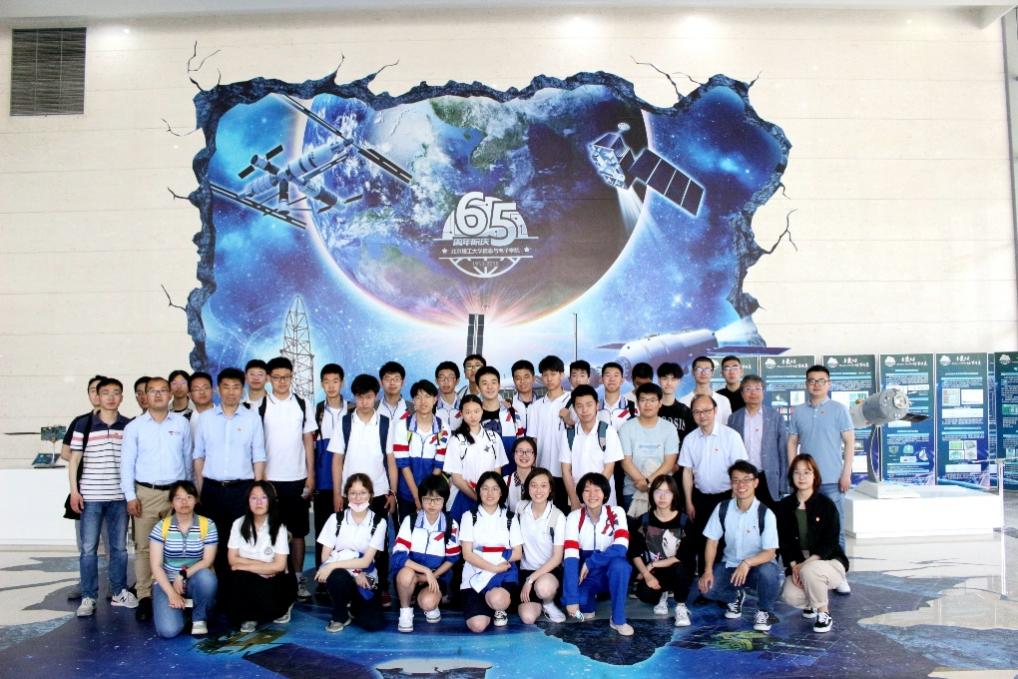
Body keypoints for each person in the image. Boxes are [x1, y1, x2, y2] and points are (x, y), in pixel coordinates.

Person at [121, 376, 192, 622]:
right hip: (145, 494)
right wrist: (130, 496)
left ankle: (176, 591)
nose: (158, 395)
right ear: (145, 396)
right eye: (153, 391)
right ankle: (144, 596)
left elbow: (187, 460)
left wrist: (188, 494)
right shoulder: (135, 427)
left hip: (176, 495)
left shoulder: (182, 424)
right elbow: (127, 465)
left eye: (163, 390)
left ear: (170, 395)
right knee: (143, 547)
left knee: (178, 546)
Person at [67, 377, 137, 616]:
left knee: (119, 548)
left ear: (122, 397)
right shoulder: (84, 424)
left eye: (116, 392)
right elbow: (74, 460)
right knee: (88, 549)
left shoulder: (128, 426)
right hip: (91, 497)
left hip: (119, 497)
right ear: (97, 395)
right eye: (105, 392)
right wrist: (75, 491)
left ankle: (118, 591)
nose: (110, 397)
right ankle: (88, 597)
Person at [192, 367, 266, 589]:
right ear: (218, 389)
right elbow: (198, 456)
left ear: (242, 390)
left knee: (242, 541)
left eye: (236, 387)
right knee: (215, 541)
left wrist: (257, 490)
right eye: (226, 387)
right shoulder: (206, 419)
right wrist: (200, 489)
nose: (231, 392)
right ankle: (220, 590)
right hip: (212, 489)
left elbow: (259, 456)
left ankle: (240, 590)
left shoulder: (252, 418)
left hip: (242, 489)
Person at [328, 374, 397, 606]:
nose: (364, 402)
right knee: (348, 541)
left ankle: (382, 587)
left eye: (368, 397)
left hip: (378, 492)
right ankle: (348, 586)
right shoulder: (345, 422)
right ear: (354, 397)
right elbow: (337, 460)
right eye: (360, 397)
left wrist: (392, 493)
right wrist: (338, 493)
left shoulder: (385, 423)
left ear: (375, 396)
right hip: (351, 494)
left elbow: (391, 460)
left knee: (380, 543)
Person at [697, 461, 781, 633]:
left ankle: (764, 611)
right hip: (731, 566)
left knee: (769, 574)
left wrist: (747, 563)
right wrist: (707, 570)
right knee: (707, 589)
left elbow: (770, 552)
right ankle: (734, 596)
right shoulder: (722, 508)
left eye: (746, 480)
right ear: (731, 484)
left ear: (756, 482)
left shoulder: (766, 513)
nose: (741, 485)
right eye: (736, 480)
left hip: (758, 567)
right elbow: (712, 541)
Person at [261, 356, 317, 602]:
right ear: (269, 378)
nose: (282, 382)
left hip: (297, 479)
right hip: (269, 480)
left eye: (286, 377)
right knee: (270, 532)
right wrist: (260, 479)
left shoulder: (303, 404)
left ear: (292, 377)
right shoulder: (260, 405)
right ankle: (275, 578)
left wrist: (310, 475)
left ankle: (298, 578)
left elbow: (308, 442)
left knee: (298, 532)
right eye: (276, 377)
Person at [788, 364, 855, 563]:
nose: (816, 384)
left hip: (832, 480)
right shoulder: (799, 411)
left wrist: (846, 473)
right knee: (806, 529)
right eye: (812, 380)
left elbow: (850, 442)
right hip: (805, 483)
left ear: (829, 384)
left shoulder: (839, 409)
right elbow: (792, 442)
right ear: (806, 384)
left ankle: (839, 569)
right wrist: (793, 472)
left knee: (836, 528)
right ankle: (811, 569)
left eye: (821, 381)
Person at [777, 454, 850, 633]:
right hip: (799, 562)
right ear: (791, 476)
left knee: (810, 570)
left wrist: (803, 566)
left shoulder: (826, 504)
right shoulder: (784, 506)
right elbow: (784, 542)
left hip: (829, 561)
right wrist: (794, 566)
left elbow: (831, 542)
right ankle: (811, 601)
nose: (801, 477)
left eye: (807, 472)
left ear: (815, 476)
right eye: (797, 472)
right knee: (789, 595)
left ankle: (823, 612)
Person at [679, 394, 748, 574]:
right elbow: (687, 472)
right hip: (700, 498)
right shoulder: (690, 439)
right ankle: (705, 582)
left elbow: (740, 471)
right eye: (697, 412)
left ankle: (726, 583)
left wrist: (735, 500)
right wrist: (689, 502)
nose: (702, 415)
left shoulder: (731, 436)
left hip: (726, 497)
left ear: (715, 411)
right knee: (703, 541)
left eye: (706, 411)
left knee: (727, 542)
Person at [562, 472, 633, 636]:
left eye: (597, 490)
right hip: (587, 575)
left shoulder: (616, 512)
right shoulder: (574, 517)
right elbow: (571, 558)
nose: (592, 495)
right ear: (581, 494)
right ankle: (588, 600)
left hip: (609, 570)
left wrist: (591, 562)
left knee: (621, 566)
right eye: (587, 490)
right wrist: (572, 598)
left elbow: (621, 547)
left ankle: (618, 619)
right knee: (581, 609)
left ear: (605, 494)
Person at [316, 473, 388, 632]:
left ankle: (354, 606)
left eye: (362, 493)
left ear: (370, 495)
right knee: (338, 577)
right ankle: (339, 614)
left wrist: (336, 565)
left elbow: (366, 561)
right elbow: (325, 557)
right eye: (353, 493)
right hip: (341, 575)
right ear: (346, 495)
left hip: (366, 577)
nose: (358, 498)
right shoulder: (335, 519)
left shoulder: (379, 522)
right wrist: (353, 573)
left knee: (374, 624)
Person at [391, 475, 461, 633]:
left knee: (428, 602)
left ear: (444, 500)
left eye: (437, 499)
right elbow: (399, 556)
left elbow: (452, 558)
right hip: (412, 574)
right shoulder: (410, 521)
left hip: (436, 577)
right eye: (427, 499)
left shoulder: (451, 525)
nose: (432, 504)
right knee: (405, 575)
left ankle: (431, 605)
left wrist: (431, 575)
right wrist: (425, 571)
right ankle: (405, 611)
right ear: (421, 500)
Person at [148, 481, 218, 638]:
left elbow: (207, 561)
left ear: (196, 500)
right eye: (178, 498)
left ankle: (199, 617)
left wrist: (182, 574)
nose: (184, 502)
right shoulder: (161, 527)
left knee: (207, 578)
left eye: (189, 497)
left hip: (195, 580)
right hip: (167, 582)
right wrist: (171, 593)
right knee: (169, 631)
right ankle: (184, 611)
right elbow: (156, 566)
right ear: (171, 502)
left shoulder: (208, 525)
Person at [226, 481, 297, 633]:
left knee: (271, 607)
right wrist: (264, 566)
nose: (259, 502)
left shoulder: (279, 526)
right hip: (252, 577)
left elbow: (279, 566)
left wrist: (244, 565)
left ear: (271, 500)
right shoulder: (238, 524)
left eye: (264, 498)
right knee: (238, 578)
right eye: (254, 498)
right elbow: (232, 559)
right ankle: (248, 617)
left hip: (272, 580)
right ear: (247, 501)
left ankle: (284, 604)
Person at [59, 373, 104, 602]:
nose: (97, 394)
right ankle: (86, 585)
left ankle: (115, 585)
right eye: (93, 390)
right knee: (86, 545)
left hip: (111, 491)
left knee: (113, 545)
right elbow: (66, 452)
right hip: (85, 493)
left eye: (101, 390)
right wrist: (91, 458)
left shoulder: (120, 422)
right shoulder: (81, 422)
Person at [459, 471, 523, 632]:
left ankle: (498, 608)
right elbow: (467, 554)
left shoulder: (510, 517)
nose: (490, 493)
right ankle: (486, 608)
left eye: (495, 489)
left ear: (501, 492)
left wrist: (497, 565)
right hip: (475, 575)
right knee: (477, 626)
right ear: (478, 491)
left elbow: (517, 553)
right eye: (485, 488)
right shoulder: (469, 516)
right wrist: (493, 567)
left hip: (503, 575)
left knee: (498, 599)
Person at [629, 475, 693, 627]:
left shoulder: (683, 521)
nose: (662, 497)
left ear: (674, 495)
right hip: (656, 572)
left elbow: (681, 556)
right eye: (658, 492)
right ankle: (662, 596)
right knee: (644, 594)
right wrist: (646, 574)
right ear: (651, 494)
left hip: (678, 569)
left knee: (680, 568)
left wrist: (652, 565)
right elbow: (634, 552)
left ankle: (680, 605)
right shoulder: (644, 520)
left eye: (667, 492)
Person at [514, 467, 567, 624]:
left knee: (543, 588)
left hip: (549, 572)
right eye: (534, 485)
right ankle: (539, 603)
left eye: (543, 486)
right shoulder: (520, 508)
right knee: (528, 618)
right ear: (528, 487)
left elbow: (557, 558)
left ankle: (548, 603)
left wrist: (531, 580)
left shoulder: (558, 516)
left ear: (550, 489)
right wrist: (528, 579)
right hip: (525, 570)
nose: (538, 490)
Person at [443, 395, 508, 520]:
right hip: (463, 496)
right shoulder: (456, 440)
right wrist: (478, 498)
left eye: (476, 411)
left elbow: (497, 473)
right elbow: (456, 478)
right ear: (461, 413)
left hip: (490, 496)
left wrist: (490, 496)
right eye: (468, 412)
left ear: (482, 411)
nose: (472, 416)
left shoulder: (494, 438)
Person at [393, 379, 449, 521]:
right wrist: (417, 497)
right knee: (406, 529)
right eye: (418, 397)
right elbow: (403, 465)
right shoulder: (402, 426)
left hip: (433, 495)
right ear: (413, 400)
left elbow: (439, 465)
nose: (423, 401)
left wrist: (427, 496)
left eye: (427, 396)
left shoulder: (444, 428)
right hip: (406, 493)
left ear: (435, 399)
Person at [618, 383, 679, 512]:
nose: (648, 404)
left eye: (652, 400)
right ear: (637, 403)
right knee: (634, 525)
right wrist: (641, 482)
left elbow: (669, 462)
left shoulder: (669, 428)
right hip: (632, 491)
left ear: (660, 403)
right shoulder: (626, 428)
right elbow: (625, 461)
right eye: (643, 400)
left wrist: (648, 482)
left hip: (663, 492)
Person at [561, 385, 624, 509]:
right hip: (578, 500)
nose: (584, 410)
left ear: (597, 405)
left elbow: (609, 468)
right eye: (579, 406)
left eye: (589, 405)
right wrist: (574, 499)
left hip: (603, 498)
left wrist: (593, 495)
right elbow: (565, 470)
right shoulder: (568, 434)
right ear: (574, 408)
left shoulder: (608, 431)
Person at [728, 375, 787, 507]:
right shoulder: (734, 418)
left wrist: (783, 483)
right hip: (743, 479)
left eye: (757, 389)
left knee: (770, 515)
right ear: (742, 394)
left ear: (763, 392)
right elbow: (729, 451)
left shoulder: (775, 417)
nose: (753, 393)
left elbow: (782, 451)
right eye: (748, 389)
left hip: (768, 477)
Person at [311, 363, 348, 574]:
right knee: (323, 531)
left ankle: (347, 574)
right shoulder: (316, 411)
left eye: (335, 381)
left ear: (342, 382)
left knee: (347, 532)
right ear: (321, 384)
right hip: (323, 483)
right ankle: (322, 574)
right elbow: (310, 447)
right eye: (327, 381)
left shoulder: (352, 409)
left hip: (349, 483)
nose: (331, 386)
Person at [526, 355, 571, 511]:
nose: (549, 378)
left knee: (565, 511)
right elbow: (533, 439)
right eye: (545, 375)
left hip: (567, 470)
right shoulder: (536, 406)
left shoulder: (573, 400)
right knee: (545, 511)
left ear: (561, 375)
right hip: (543, 469)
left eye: (553, 374)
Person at [476, 366, 524, 463]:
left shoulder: (512, 413)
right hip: (482, 468)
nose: (489, 387)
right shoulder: (473, 415)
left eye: (493, 382)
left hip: (509, 468)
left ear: (499, 385)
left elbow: (521, 443)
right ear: (478, 388)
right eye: (484, 383)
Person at [679, 357, 732, 426]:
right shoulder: (683, 401)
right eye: (699, 369)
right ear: (693, 372)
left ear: (712, 372)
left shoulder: (723, 400)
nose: (703, 373)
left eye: (707, 369)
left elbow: (727, 428)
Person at [656, 362, 696, 448]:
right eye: (665, 378)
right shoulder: (651, 409)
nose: (669, 383)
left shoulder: (686, 412)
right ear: (659, 380)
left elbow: (691, 441)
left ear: (679, 382)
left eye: (673, 379)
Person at [504, 436, 537, 512]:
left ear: (535, 456)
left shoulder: (543, 481)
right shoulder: (505, 482)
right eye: (520, 451)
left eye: (529, 451)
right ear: (513, 455)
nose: (524, 455)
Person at [509, 359, 537, 431]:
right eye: (518, 378)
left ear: (533, 378)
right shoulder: (508, 405)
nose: (522, 381)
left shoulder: (542, 403)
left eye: (526, 377)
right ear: (514, 381)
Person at [434, 360, 462, 431]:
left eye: (450, 377)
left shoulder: (465, 405)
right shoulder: (431, 406)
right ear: (436, 381)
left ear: (457, 381)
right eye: (442, 377)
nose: (446, 381)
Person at [187, 371, 215, 439]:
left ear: (212, 391)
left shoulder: (225, 416)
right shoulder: (184, 419)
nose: (202, 392)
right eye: (196, 389)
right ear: (190, 395)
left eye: (206, 388)